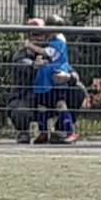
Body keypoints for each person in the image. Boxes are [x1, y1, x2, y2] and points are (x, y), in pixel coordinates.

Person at [26, 14, 77, 144]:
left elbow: (47, 52)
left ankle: (70, 131)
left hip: (55, 76)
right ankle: (43, 132)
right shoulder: (52, 38)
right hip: (45, 78)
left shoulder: (58, 41)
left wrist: (30, 46)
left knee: (60, 104)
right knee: (42, 105)